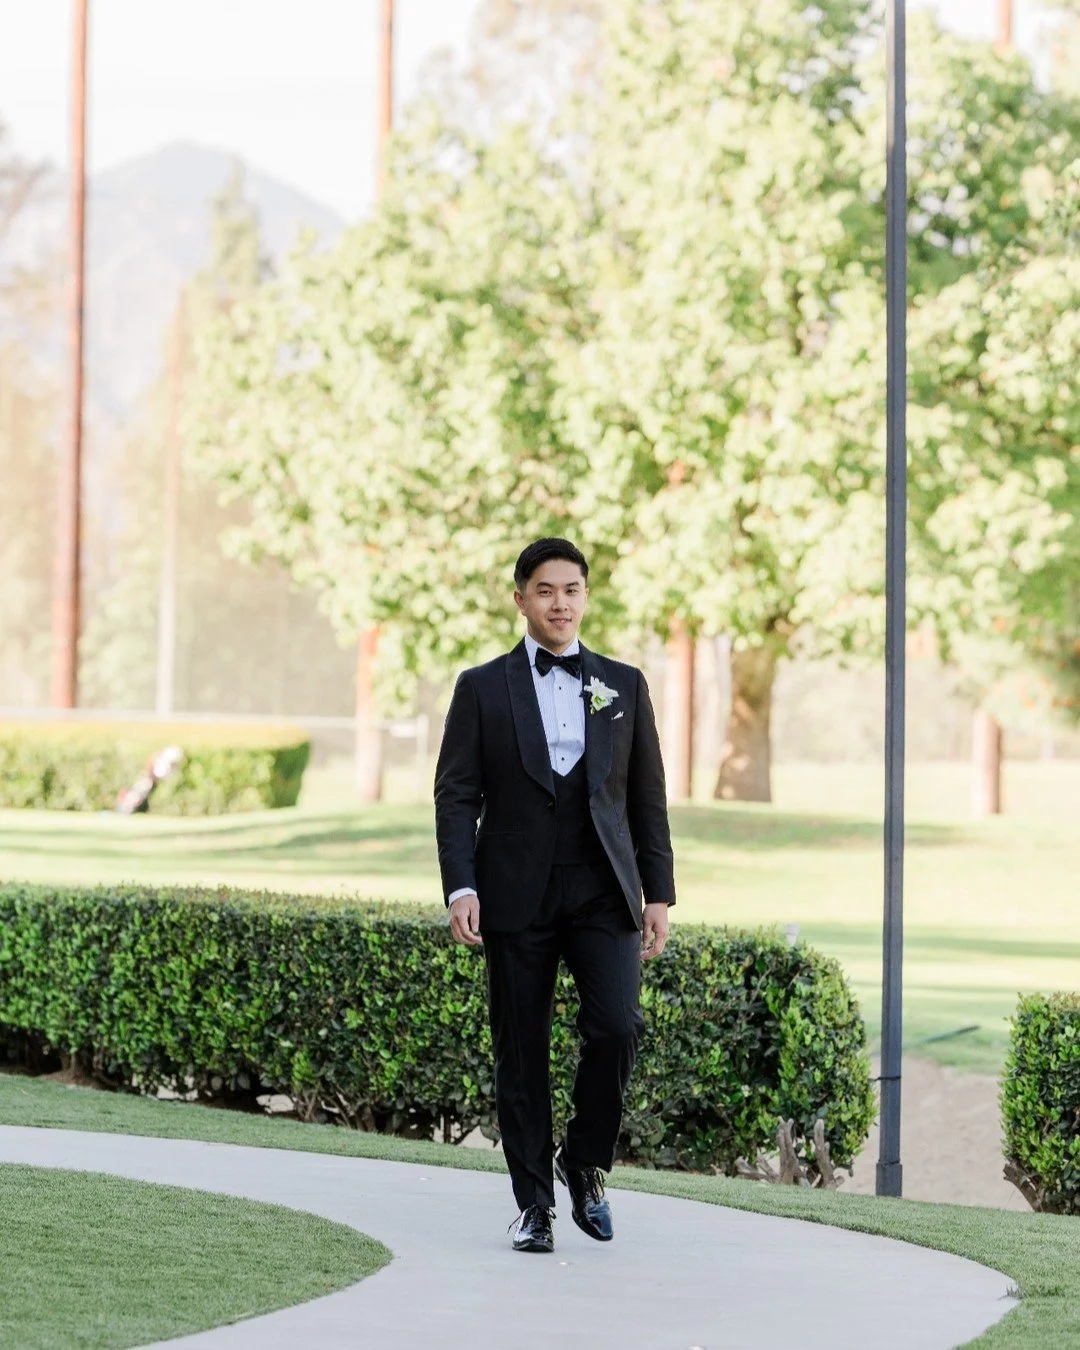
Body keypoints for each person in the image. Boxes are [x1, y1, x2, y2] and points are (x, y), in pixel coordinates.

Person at [434, 537, 675, 1253]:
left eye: (571, 589)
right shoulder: (480, 688)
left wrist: (657, 892)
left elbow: (646, 799)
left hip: (604, 890)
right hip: (513, 894)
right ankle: (534, 1205)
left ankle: (585, 1161)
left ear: (585, 597)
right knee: (522, 1051)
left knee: (617, 1027)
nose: (559, 602)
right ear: (520, 598)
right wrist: (461, 887)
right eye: (545, 590)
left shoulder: (623, 685)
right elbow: (455, 796)